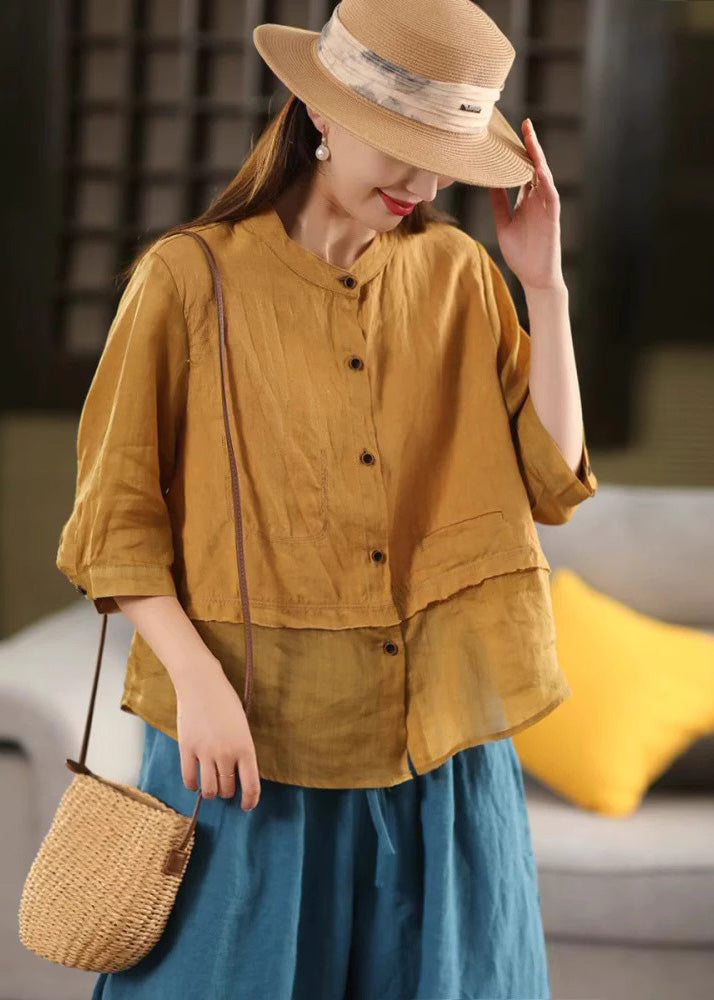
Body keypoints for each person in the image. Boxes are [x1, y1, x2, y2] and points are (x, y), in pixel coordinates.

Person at [55, 1, 598, 997]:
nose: (422, 184)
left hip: (441, 744)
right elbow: (112, 524)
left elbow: (552, 479)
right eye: (402, 147)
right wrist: (199, 686)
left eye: (442, 160)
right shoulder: (188, 279)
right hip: (248, 736)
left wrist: (545, 287)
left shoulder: (458, 274)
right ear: (320, 112)